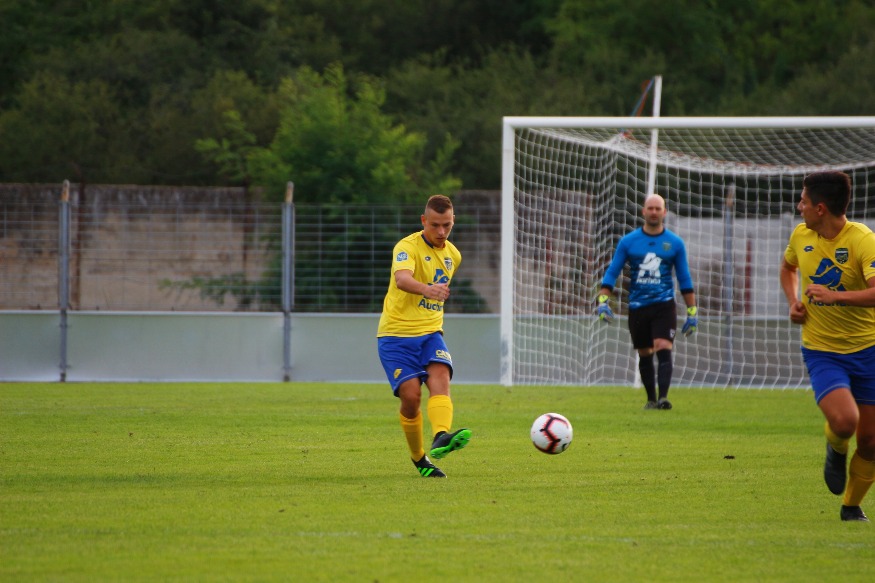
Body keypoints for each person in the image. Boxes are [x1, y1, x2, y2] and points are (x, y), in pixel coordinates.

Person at [780, 170, 875, 522]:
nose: (799, 206)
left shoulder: (863, 240)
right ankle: (836, 447)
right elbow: (787, 269)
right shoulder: (800, 235)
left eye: (803, 201)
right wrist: (793, 302)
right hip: (822, 350)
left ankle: (851, 507)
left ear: (820, 208)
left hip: (868, 350)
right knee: (845, 421)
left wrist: (836, 297)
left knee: (871, 441)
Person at [377, 194, 472, 478]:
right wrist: (427, 289)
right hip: (396, 335)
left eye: (447, 225)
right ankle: (419, 457)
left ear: (453, 221)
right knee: (411, 397)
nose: (441, 232)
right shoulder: (406, 247)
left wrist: (433, 294)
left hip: (431, 333)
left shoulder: (453, 255)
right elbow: (402, 279)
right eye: (435, 225)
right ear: (423, 221)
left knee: (440, 376)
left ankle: (441, 436)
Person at [596, 193, 697, 410]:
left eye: (657, 208)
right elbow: (612, 271)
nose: (653, 212)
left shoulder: (675, 243)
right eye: (650, 208)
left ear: (664, 212)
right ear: (643, 211)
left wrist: (692, 311)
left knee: (663, 345)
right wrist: (603, 301)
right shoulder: (628, 241)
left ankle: (664, 398)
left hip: (664, 305)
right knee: (644, 352)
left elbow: (684, 277)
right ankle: (651, 399)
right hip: (638, 307)